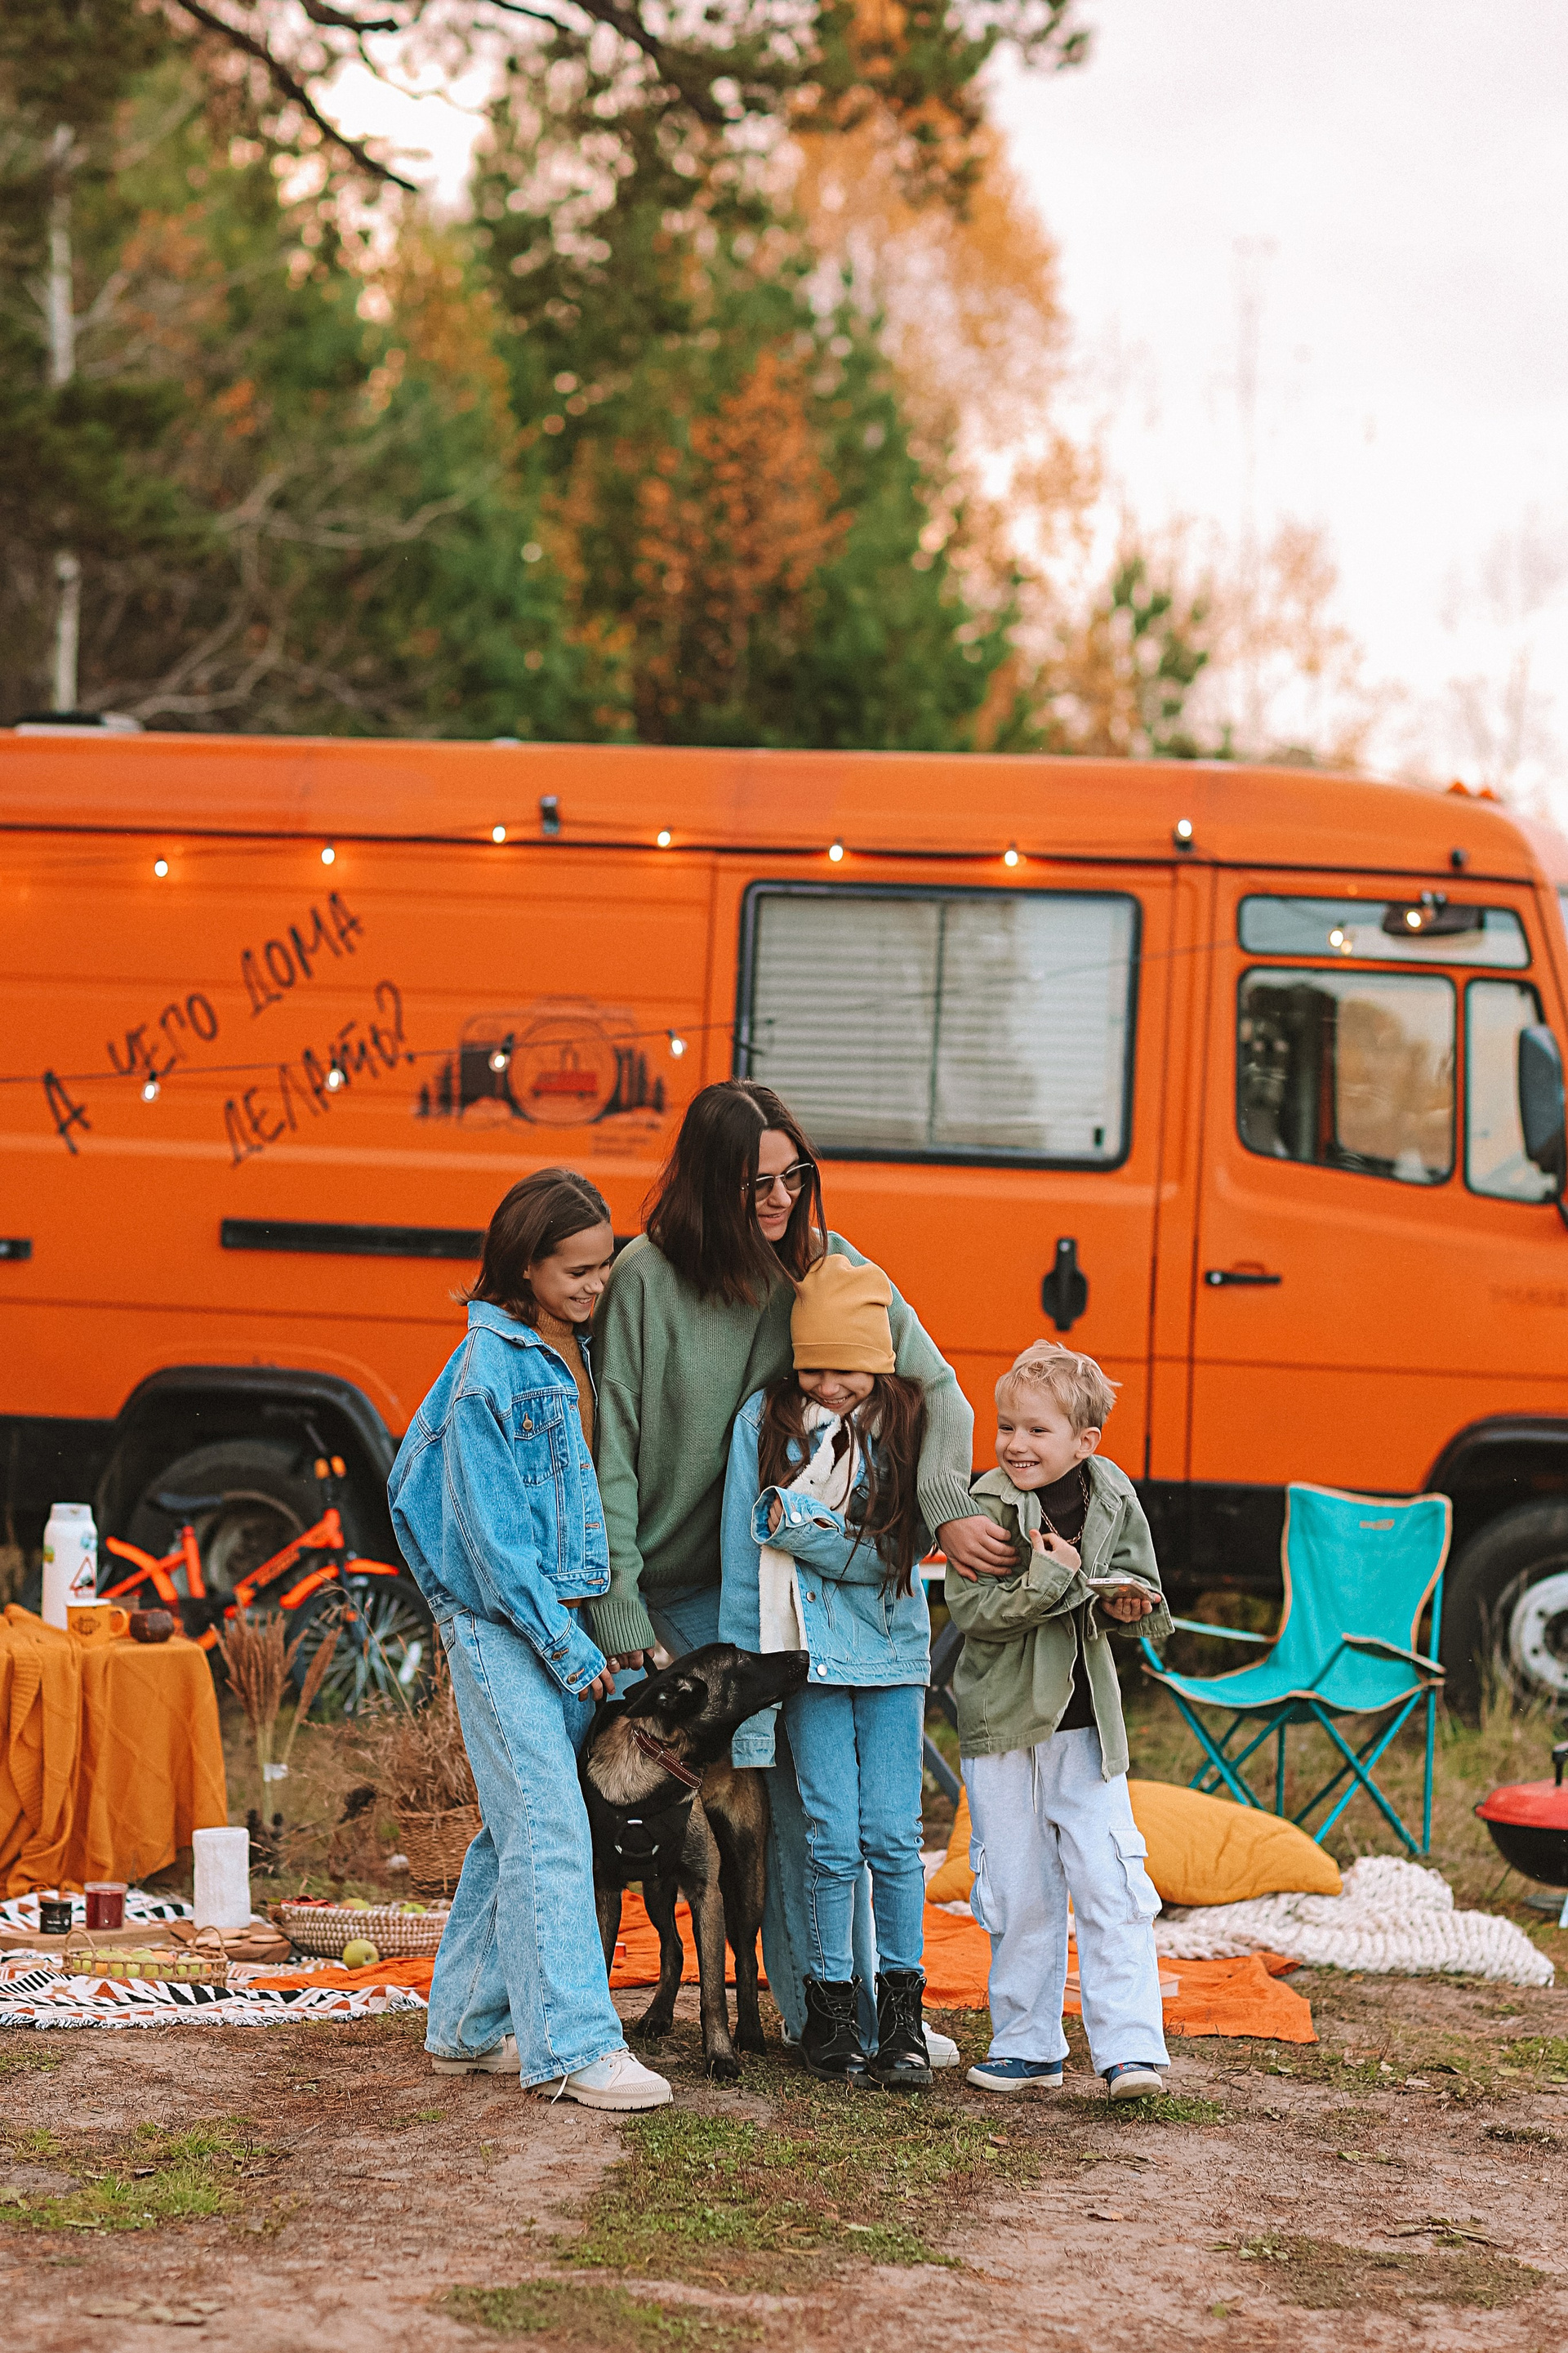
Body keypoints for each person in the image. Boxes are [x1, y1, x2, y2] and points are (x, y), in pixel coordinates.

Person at [590, 1077, 1009, 2049]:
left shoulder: (824, 1266)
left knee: (791, 1799)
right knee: (604, 1791)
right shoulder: (644, 1279)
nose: (780, 1200)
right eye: (756, 1185)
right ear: (709, 1185)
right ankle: (513, 2010)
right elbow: (609, 1453)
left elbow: (938, 1388)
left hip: (777, 1572)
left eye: (794, 1178)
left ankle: (844, 2010)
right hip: (665, 1582)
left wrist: (945, 1508)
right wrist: (621, 1613)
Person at [388, 1168, 670, 2110]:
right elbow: (492, 1540)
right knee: (550, 1826)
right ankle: (576, 2045)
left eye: (603, 1266)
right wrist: (567, 1645)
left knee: (515, 1823)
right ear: (524, 1264)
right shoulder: (489, 1370)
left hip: (557, 1620)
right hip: (502, 1625)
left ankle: (465, 2026)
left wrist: (595, 1627)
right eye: (577, 1270)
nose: (596, 1284)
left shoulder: (574, 1347)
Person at [719, 1254, 933, 2088]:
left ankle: (904, 2018)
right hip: (803, 1659)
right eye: (814, 1366)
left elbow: (892, 1553)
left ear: (879, 1359)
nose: (830, 1384)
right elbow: (745, 1562)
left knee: (894, 1836)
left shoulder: (905, 1424)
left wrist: (793, 1524)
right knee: (831, 1837)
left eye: (847, 1366)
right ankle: (831, 2012)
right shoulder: (765, 1422)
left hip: (891, 1655)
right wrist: (748, 1692)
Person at [946, 1341, 1174, 2101]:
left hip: (1086, 1731)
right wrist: (1051, 1576)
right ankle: (1026, 2044)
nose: (1016, 1443)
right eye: (1006, 1426)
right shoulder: (984, 1505)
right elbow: (973, 1612)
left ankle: (1130, 2050)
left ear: (1084, 1442)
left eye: (1037, 1430)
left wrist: (1129, 1602)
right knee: (1018, 1891)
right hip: (1003, 1729)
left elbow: (1140, 1581)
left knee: (1112, 1880)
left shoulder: (1113, 1494)